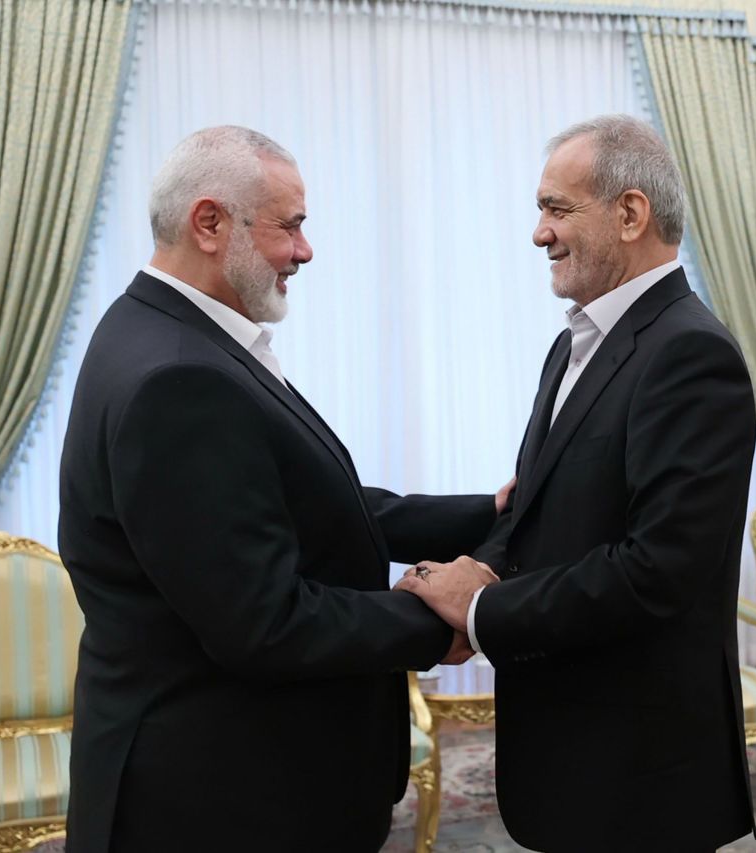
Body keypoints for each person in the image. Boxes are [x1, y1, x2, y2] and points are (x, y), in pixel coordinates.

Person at [58, 126, 505, 852]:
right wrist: (448, 617)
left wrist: (486, 512)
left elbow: (306, 506)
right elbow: (264, 621)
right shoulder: (179, 378)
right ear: (210, 223)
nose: (305, 249)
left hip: (229, 769)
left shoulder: (158, 327)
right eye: (290, 225)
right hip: (221, 794)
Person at [398, 115, 756, 851]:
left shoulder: (692, 353)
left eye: (557, 210)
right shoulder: (572, 345)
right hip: (569, 745)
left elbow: (660, 571)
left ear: (630, 214)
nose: (539, 233)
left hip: (639, 767)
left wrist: (484, 610)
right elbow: (532, 503)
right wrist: (482, 567)